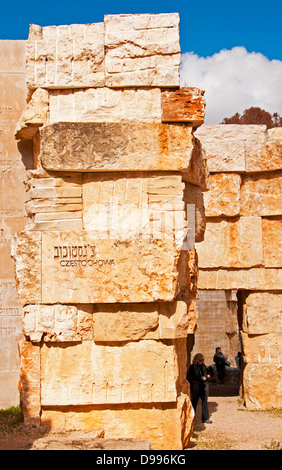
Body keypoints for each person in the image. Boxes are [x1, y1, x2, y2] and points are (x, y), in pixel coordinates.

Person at [186, 353, 212, 424]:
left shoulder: (203, 366)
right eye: (200, 360)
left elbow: (208, 371)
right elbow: (190, 377)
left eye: (202, 360)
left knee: (204, 401)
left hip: (202, 387)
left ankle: (205, 418)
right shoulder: (192, 367)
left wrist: (208, 375)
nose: (202, 362)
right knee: (194, 403)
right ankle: (191, 418)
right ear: (197, 360)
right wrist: (200, 378)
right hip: (195, 387)